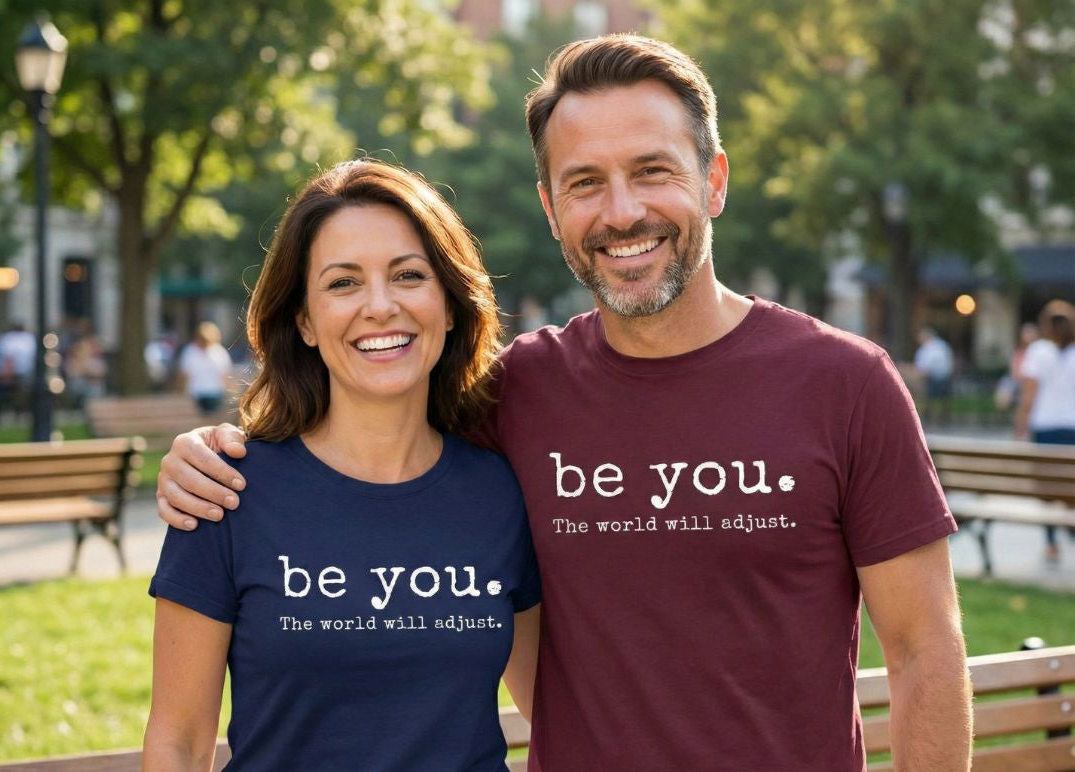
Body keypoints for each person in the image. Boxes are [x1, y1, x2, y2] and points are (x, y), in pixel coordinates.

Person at [155, 35, 971, 771]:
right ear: (551, 210)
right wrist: (208, 453)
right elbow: (368, 425)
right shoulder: (515, 394)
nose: (622, 212)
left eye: (653, 170)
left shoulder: (846, 384)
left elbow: (924, 650)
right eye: (585, 183)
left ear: (714, 180)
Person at [142, 160, 541, 771]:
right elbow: (179, 743)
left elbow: (555, 708)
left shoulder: (501, 490)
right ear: (303, 319)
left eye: (409, 275)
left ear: (452, 303)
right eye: (343, 283)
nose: (380, 307)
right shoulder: (224, 490)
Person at [1014, 299, 1075, 562]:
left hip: (1046, 425)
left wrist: (1021, 421)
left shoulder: (1038, 352)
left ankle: (1051, 543)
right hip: (1072, 426)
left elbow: (1029, 394)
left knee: (1048, 487)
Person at [177, 321, 234, 413]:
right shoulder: (190, 351)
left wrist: (230, 392)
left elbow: (225, 374)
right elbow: (184, 374)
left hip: (215, 392)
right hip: (196, 393)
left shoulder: (219, 352)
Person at [914, 326, 954, 424]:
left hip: (936, 380)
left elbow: (925, 369)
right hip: (945, 379)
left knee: (915, 385)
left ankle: (923, 414)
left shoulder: (931, 348)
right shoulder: (942, 345)